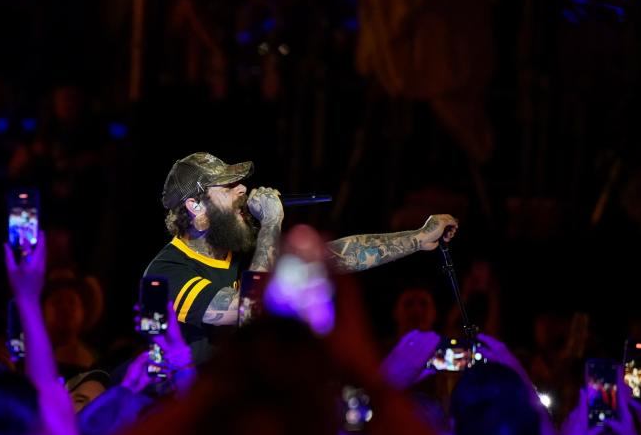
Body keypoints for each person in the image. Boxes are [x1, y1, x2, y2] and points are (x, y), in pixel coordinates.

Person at [145, 151, 459, 362]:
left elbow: (339, 256)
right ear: (194, 206)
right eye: (227, 187)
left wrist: (418, 238)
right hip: (199, 426)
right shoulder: (167, 272)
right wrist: (271, 223)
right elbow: (247, 311)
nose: (242, 190)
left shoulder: (241, 249)